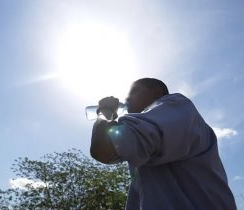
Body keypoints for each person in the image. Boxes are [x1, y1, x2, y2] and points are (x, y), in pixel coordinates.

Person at [90, 78, 236, 210]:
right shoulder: (146, 137)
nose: (127, 98)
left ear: (157, 92)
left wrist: (104, 111)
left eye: (134, 91)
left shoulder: (176, 105)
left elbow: (103, 149)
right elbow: (107, 151)